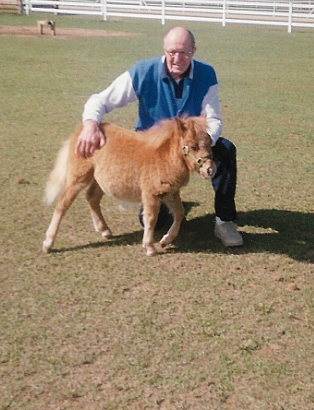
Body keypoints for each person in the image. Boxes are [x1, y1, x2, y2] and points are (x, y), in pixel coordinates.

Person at [74, 26, 243, 247]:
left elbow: (214, 120)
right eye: (172, 52)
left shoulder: (206, 74)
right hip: (151, 154)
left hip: (191, 145)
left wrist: (202, 146)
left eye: (184, 52)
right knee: (155, 222)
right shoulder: (143, 71)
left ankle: (224, 221)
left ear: (193, 51)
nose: (177, 58)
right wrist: (90, 124)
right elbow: (101, 100)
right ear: (164, 50)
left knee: (226, 149)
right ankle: (167, 201)